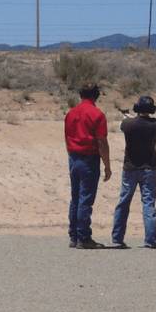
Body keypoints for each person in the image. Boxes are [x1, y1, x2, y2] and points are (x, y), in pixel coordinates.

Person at [64, 84, 111, 249]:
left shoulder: (71, 113)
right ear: (96, 96)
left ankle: (74, 235)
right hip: (89, 159)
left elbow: (67, 136)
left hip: (73, 157)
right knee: (85, 199)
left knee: (75, 198)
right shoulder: (97, 114)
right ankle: (83, 237)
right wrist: (107, 165)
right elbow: (102, 142)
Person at [111, 95, 156, 249]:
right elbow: (140, 122)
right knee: (148, 203)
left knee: (124, 202)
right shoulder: (155, 124)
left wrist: (127, 116)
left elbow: (125, 125)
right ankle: (151, 239)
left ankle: (117, 238)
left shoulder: (128, 124)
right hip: (149, 169)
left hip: (130, 168)